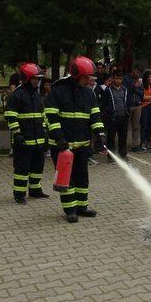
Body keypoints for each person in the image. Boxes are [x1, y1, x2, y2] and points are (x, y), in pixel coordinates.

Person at [44, 56, 106, 223]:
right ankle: (70, 210)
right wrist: (59, 139)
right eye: (87, 77)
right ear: (77, 74)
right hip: (61, 146)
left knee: (82, 177)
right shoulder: (58, 91)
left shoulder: (89, 93)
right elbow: (50, 117)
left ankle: (82, 207)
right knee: (67, 179)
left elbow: (95, 116)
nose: (89, 80)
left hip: (82, 145)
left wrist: (100, 135)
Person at [4, 63, 49, 204]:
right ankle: (19, 194)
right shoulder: (17, 95)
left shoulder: (36, 94)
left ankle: (35, 190)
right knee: (22, 168)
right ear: (26, 78)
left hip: (38, 139)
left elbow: (42, 114)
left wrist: (46, 132)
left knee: (37, 166)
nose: (37, 81)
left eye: (38, 78)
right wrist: (17, 134)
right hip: (23, 140)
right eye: (34, 78)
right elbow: (10, 116)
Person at [101, 70, 132, 163]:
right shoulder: (108, 90)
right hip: (112, 118)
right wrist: (107, 115)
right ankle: (111, 157)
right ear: (113, 78)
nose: (118, 80)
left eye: (120, 79)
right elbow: (104, 104)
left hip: (123, 117)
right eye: (116, 78)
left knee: (123, 137)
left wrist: (127, 113)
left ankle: (123, 155)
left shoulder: (125, 90)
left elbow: (128, 103)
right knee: (111, 138)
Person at [123, 65, 144, 152]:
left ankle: (135, 145)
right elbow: (125, 90)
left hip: (137, 106)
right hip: (127, 105)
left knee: (136, 127)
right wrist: (134, 86)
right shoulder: (126, 78)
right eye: (137, 72)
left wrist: (134, 88)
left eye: (139, 73)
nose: (138, 74)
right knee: (124, 127)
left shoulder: (140, 80)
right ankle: (122, 144)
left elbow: (142, 93)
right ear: (133, 70)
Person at [139, 71, 151, 151]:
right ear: (145, 78)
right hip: (144, 107)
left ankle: (148, 141)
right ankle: (142, 142)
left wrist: (149, 97)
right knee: (144, 125)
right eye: (148, 77)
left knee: (149, 125)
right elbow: (143, 97)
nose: (150, 79)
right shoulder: (142, 86)